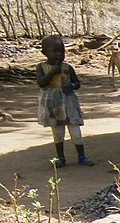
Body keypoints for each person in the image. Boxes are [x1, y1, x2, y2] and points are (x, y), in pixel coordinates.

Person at [36, 35, 93, 168]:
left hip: (69, 103)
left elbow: (77, 83)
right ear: (44, 52)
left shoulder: (67, 67)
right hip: (52, 104)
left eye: (62, 51)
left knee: (75, 130)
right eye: (55, 51)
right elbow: (41, 83)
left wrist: (71, 86)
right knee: (57, 131)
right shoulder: (41, 67)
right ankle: (60, 157)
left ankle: (82, 156)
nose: (59, 54)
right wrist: (52, 73)